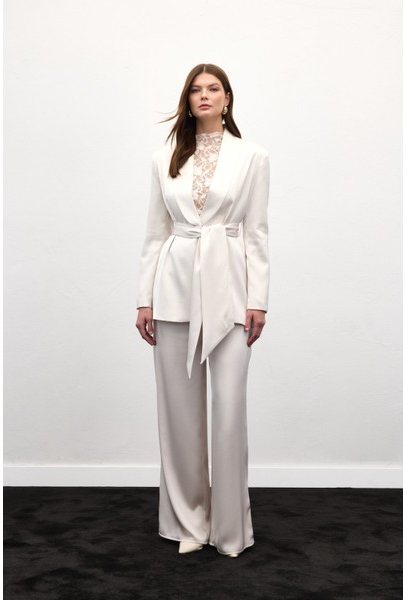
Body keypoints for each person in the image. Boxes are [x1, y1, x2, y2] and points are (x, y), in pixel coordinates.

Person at [136, 63, 270, 558]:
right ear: (187, 100)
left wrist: (257, 301)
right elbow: (155, 232)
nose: (204, 95)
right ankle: (189, 522)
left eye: (214, 88)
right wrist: (144, 298)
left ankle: (231, 529)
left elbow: (257, 233)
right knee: (179, 413)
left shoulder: (253, 156)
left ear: (227, 98)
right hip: (172, 289)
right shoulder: (164, 157)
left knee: (229, 411)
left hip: (231, 288)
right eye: (196, 89)